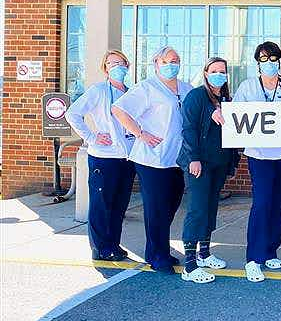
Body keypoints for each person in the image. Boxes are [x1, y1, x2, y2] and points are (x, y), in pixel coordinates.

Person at [111, 46, 193, 273]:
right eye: (166, 61)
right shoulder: (146, 88)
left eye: (175, 60)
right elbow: (118, 110)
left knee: (171, 205)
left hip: (177, 159)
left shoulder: (186, 88)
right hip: (152, 159)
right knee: (156, 208)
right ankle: (156, 256)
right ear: (156, 63)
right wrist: (140, 133)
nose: (171, 64)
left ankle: (161, 249)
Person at [232, 41, 281, 283]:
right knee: (261, 204)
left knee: (279, 204)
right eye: (264, 59)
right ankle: (253, 258)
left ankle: (271, 250)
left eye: (274, 59)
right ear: (257, 62)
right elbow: (237, 116)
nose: (270, 63)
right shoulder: (248, 86)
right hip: (260, 155)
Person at [65, 49, 136, 261]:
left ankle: (114, 244)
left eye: (121, 63)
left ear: (128, 66)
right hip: (104, 159)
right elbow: (72, 114)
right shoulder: (98, 91)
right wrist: (92, 137)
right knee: (101, 205)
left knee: (119, 205)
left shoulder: (130, 93)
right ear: (105, 69)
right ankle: (100, 248)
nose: (118, 67)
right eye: (112, 64)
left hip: (126, 159)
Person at [176, 57, 240, 284]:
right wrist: (193, 158)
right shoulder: (196, 96)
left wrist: (232, 162)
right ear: (205, 73)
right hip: (199, 163)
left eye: (222, 71)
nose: (219, 75)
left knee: (211, 207)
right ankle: (190, 264)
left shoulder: (226, 99)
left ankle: (204, 252)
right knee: (197, 209)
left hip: (218, 164)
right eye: (214, 71)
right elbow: (188, 128)